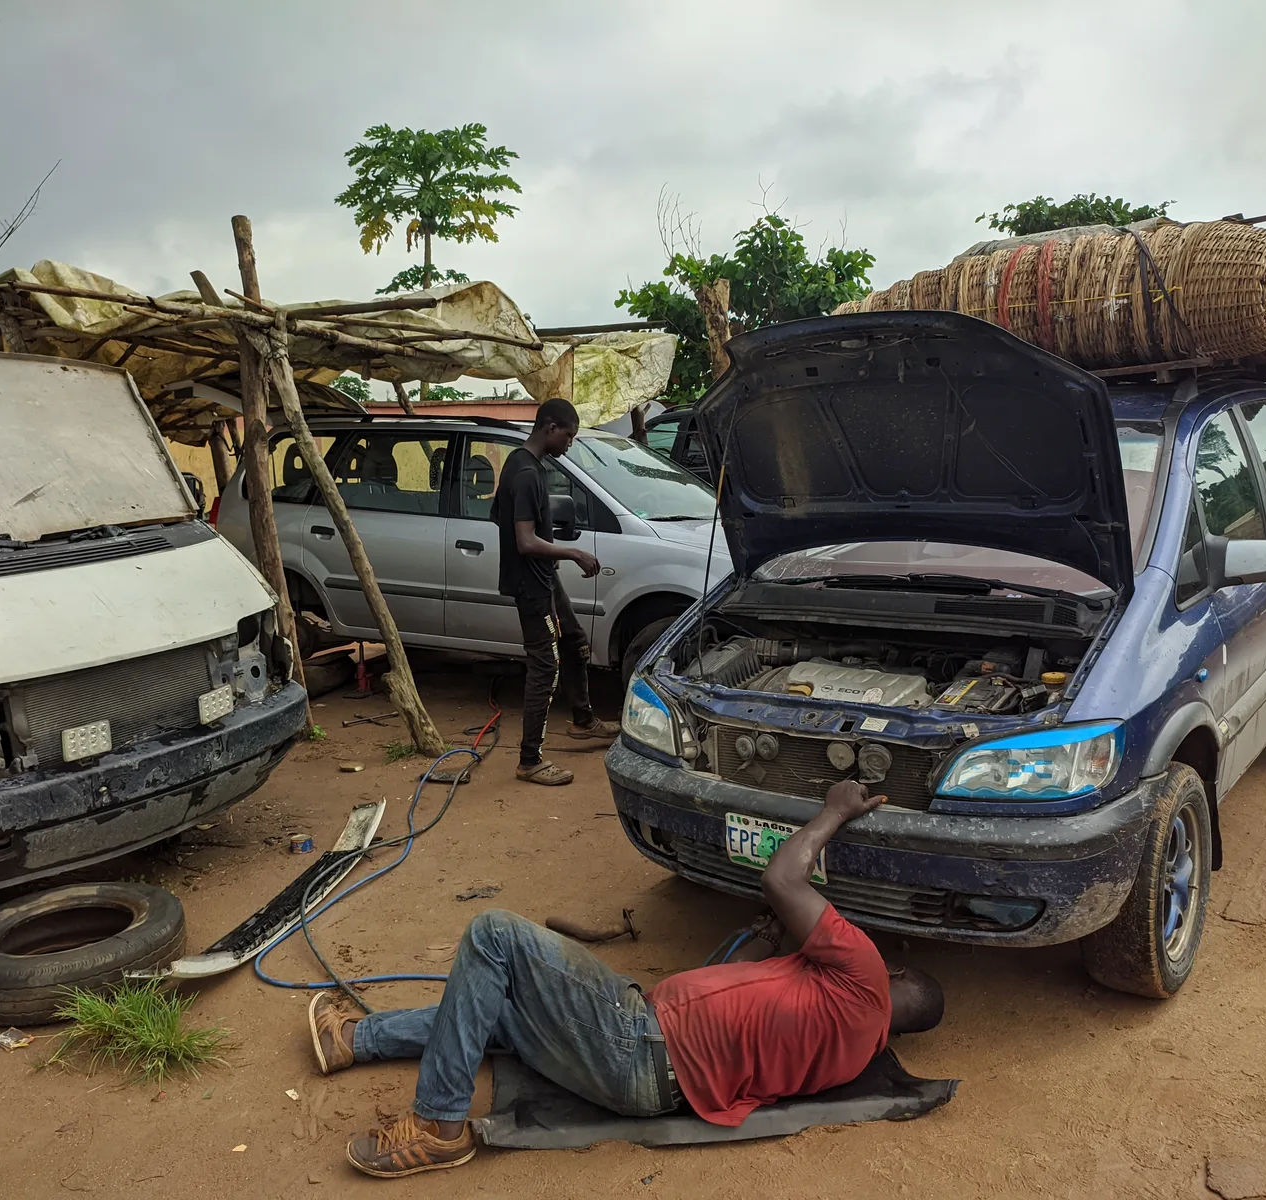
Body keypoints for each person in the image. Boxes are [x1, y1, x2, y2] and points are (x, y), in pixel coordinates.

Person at [308, 780, 945, 1178]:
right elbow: (733, 992)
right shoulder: (852, 1047)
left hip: (635, 1040)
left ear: (889, 971)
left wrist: (832, 813)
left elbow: (781, 879)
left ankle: (438, 1126)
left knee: (493, 935)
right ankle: (356, 1041)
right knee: (497, 1010)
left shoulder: (860, 969)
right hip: (648, 1079)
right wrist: (773, 941)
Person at [489, 397, 620, 786]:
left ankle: (583, 721)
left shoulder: (519, 462)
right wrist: (572, 552)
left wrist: (548, 553)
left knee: (575, 639)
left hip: (542, 575)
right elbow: (525, 540)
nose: (570, 443)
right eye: (569, 436)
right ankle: (530, 760)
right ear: (550, 428)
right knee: (544, 666)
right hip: (531, 584)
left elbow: (500, 516)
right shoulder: (526, 473)